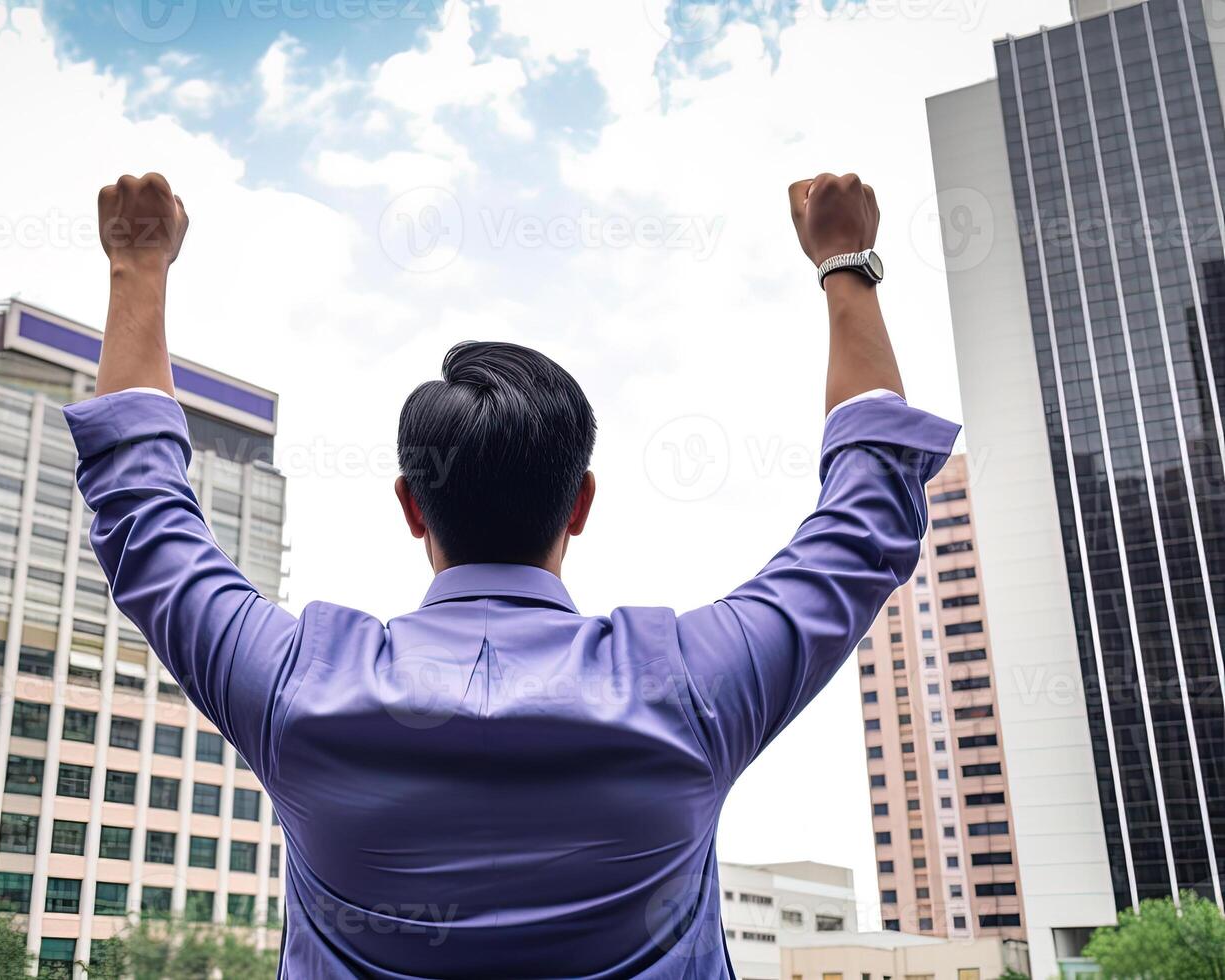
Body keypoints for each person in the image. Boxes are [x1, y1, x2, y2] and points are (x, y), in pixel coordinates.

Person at [65, 172, 959, 978]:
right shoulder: (690, 685)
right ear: (582, 503)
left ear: (412, 506)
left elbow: (146, 526)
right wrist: (846, 259)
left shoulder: (300, 688)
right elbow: (867, 520)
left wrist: (137, 268)